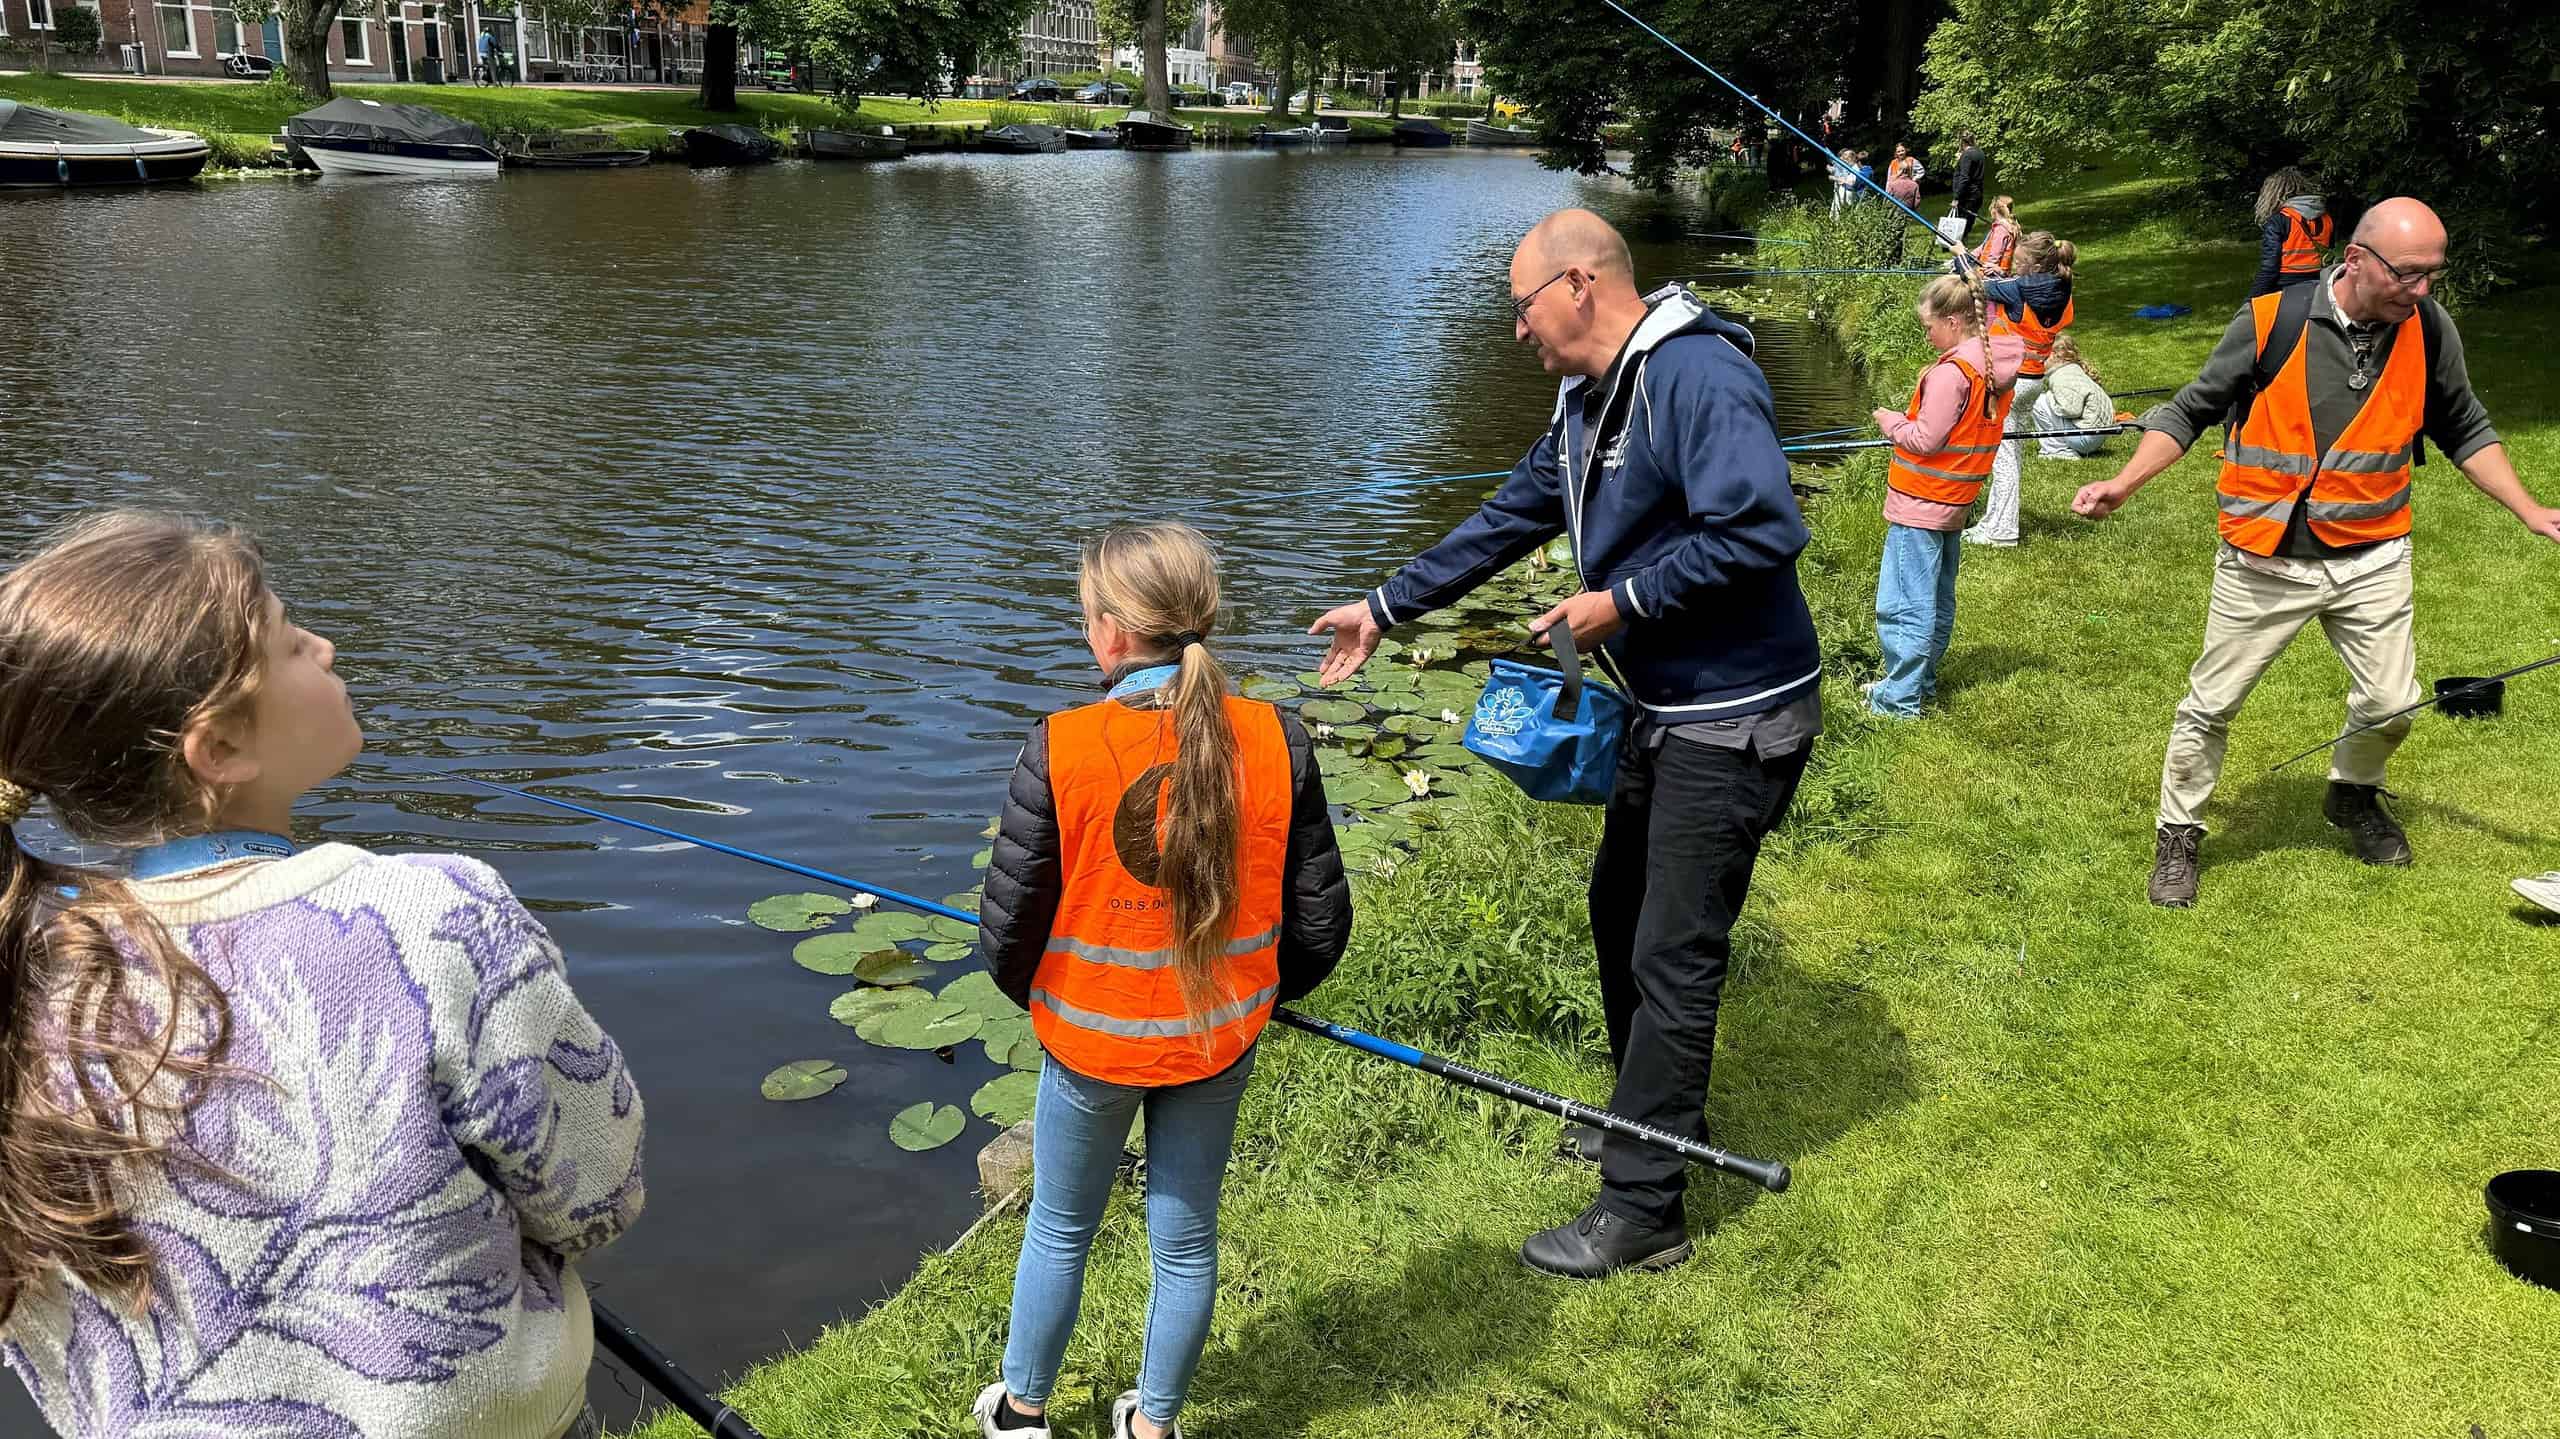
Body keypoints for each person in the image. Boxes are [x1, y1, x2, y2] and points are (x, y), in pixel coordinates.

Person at [0, 511, 644, 1439]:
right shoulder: (430, 915)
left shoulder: (25, 981)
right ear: (219, 749)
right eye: (293, 641)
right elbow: (599, 1192)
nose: (327, 646)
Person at [1306, 209, 1821, 1279]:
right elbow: (1511, 516)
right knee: (1618, 910)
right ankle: (1650, 1121)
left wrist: (1619, 599)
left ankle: (1645, 1211)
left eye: (1521, 306)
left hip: (1734, 715)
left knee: (1671, 952)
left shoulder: (1694, 375)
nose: (1516, 331)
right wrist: (1384, 607)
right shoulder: (1590, 398)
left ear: (1579, 284)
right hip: (1663, 708)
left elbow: (1763, 525)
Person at [2071, 198, 2560, 907]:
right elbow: (2189, 409)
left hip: (2372, 554)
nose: (2422, 291)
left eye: (2433, 275)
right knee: (2211, 705)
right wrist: (2123, 482)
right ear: (2357, 259)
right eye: (2408, 274)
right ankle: (2179, 834)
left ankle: (2351, 794)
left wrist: (2530, 509)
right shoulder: (2274, 320)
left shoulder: (2428, 327)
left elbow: (2463, 424)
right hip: (2265, 557)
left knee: (2393, 704)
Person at [974, 522, 1351, 1439]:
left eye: (1087, 616)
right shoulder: (1278, 737)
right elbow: (1319, 921)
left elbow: (1008, 929)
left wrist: (1048, 998)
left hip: (1090, 1041)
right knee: (1184, 1241)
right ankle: (1154, 1425)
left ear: (1108, 632)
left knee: (1061, 1229)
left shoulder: (1060, 745)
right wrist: (1259, 994)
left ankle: (1022, 1414)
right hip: (1216, 1039)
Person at [1867, 274, 2020, 718]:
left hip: (1922, 501)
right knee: (1936, 598)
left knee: (1903, 604)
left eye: (1929, 325)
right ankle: (1919, 682)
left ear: (1954, 321)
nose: (1927, 333)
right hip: (1955, 499)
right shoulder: (1990, 363)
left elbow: (1926, 438)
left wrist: (1890, 422)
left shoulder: (1953, 374)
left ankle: (1899, 701)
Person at [1965, 230, 2077, 546]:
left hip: (2011, 382)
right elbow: (2013, 287)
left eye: (2019, 262)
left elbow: (1977, 287)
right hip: (2034, 379)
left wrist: (1964, 258)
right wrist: (2002, 277)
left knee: (2003, 458)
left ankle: (2002, 532)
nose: (2014, 266)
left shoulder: (2017, 290)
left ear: (2032, 266)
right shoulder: (2062, 289)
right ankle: (1993, 522)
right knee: (2011, 452)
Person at [2251, 167, 2330, 298]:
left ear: (2273, 193)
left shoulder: (2279, 220)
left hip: (2286, 284)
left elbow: (2270, 267)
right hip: (2320, 281)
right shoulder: (2326, 217)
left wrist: (2252, 298)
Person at [2032, 333, 2115, 457]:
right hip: (2097, 436)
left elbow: (2071, 410)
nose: (2039, 360)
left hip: (2085, 439)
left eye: (2042, 356)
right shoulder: (2073, 370)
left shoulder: (2060, 377)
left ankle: (2058, 450)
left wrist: (2050, 398)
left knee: (2037, 401)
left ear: (2054, 355)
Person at [1951, 131, 1988, 237]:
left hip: (1967, 195)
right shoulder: (1979, 152)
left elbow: (1964, 177)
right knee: (1967, 224)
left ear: (1962, 142)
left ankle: (1959, 249)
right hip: (1977, 193)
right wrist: (1961, 159)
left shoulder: (1967, 155)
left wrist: (1957, 197)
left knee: (1959, 227)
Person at [1972, 195, 2020, 275]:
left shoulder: (2001, 230)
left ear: (1993, 211)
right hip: (1998, 273)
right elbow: (1984, 246)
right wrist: (1968, 254)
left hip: (1992, 275)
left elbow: (1994, 256)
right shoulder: (2008, 226)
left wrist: (1984, 271)